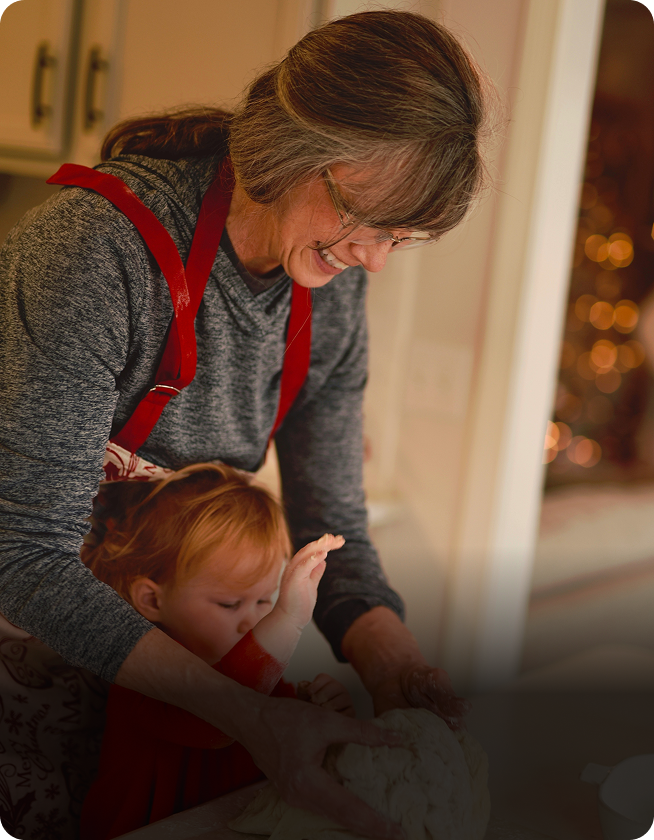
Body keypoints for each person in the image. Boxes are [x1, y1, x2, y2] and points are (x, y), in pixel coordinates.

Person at [0, 10, 490, 838]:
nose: (373, 260)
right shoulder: (94, 252)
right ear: (297, 151)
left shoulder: (329, 292)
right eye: (366, 221)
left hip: (178, 706)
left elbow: (335, 531)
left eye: (401, 239)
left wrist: (395, 664)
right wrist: (252, 717)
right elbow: (21, 554)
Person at [80, 463, 354, 839]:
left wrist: (321, 712)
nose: (252, 622)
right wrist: (287, 619)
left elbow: (287, 739)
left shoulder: (261, 676)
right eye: (229, 604)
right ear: (152, 600)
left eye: (264, 601)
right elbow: (217, 721)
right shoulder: (138, 676)